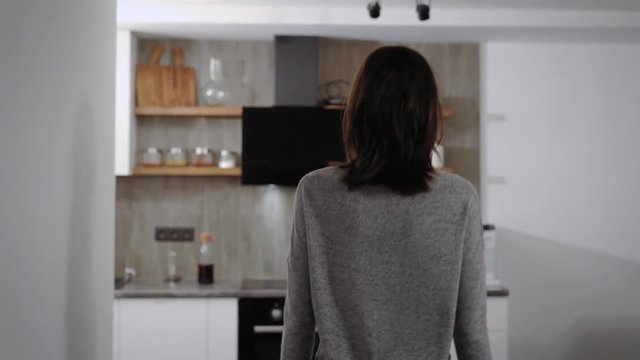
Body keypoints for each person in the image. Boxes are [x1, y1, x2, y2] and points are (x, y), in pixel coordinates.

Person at [280, 46, 490, 360]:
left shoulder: (315, 191)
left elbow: (298, 322)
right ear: (427, 116)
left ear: (358, 111)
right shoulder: (459, 197)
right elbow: (471, 334)